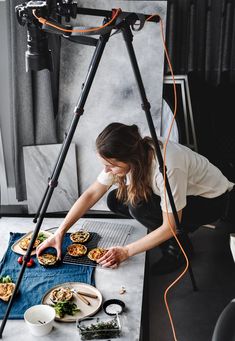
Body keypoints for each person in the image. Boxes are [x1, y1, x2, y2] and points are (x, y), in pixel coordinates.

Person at [36, 122, 235, 274]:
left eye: (111, 165)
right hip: (184, 193)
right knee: (115, 199)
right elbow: (91, 194)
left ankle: (178, 249)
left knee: (139, 208)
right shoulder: (135, 152)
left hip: (210, 201)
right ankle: (163, 233)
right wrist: (60, 232)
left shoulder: (167, 167)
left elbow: (170, 226)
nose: (107, 171)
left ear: (129, 159)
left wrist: (126, 251)